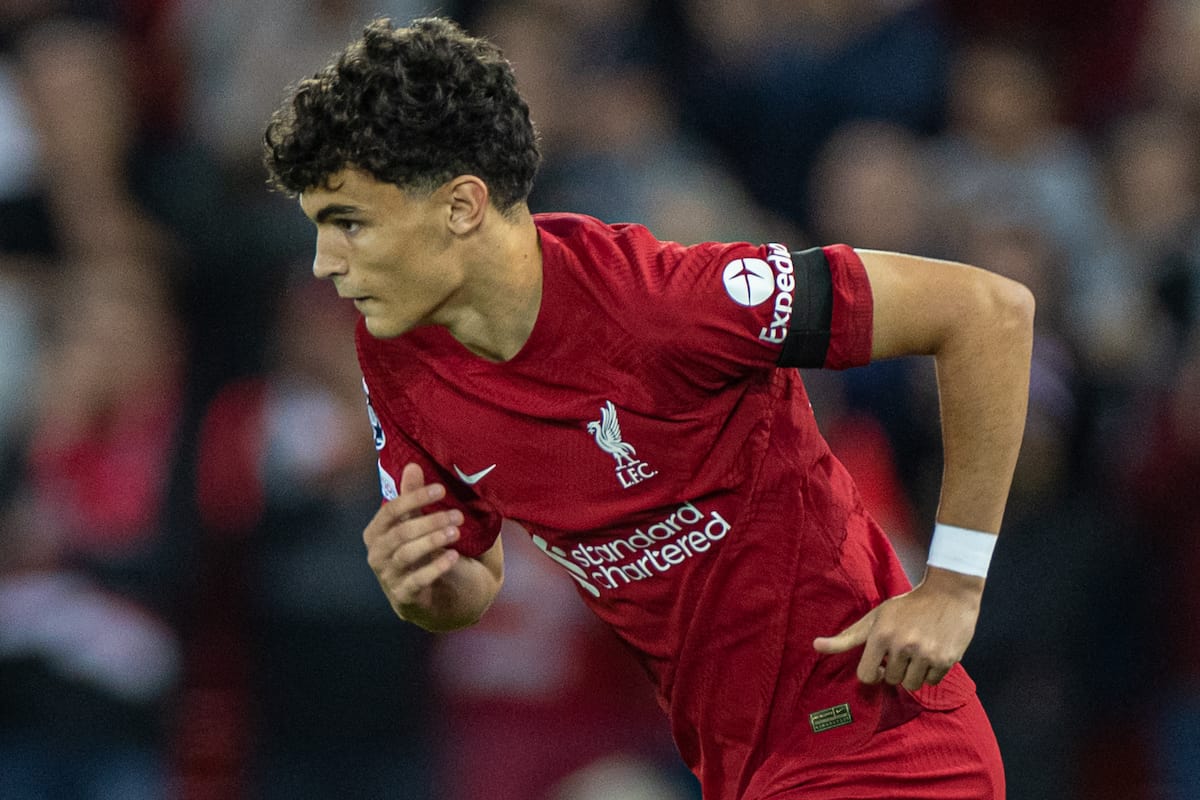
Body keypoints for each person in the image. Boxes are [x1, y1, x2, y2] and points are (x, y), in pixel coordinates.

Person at [262, 16, 1034, 800]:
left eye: (349, 223)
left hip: (880, 745)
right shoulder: (396, 351)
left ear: (462, 206)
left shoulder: (664, 303)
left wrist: (954, 584)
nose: (326, 264)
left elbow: (986, 311)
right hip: (742, 769)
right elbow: (469, 581)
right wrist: (424, 588)